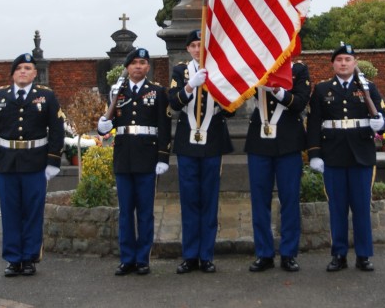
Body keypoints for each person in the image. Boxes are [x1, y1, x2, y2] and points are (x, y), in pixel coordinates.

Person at [307, 43, 385, 273]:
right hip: (333, 156)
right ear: (333, 63)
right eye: (339, 59)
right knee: (337, 209)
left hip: (361, 155)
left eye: (347, 60)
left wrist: (380, 124)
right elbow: (313, 123)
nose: (343, 63)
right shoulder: (322, 89)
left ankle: (363, 255)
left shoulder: (367, 87)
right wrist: (314, 153)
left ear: (355, 63)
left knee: (361, 208)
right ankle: (338, 254)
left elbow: (382, 116)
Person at [0, 53, 65, 277]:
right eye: (19, 68)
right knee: (10, 213)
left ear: (35, 73)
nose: (23, 71)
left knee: (32, 212)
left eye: (28, 68)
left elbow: (57, 129)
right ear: (13, 73)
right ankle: (12, 259)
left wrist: (53, 161)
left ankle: (29, 258)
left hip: (36, 163)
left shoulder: (46, 97)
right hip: (7, 164)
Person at [97, 48, 172, 276]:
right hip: (123, 156)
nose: (138, 66)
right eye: (134, 63)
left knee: (145, 212)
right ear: (127, 68)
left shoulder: (157, 92)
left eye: (142, 63)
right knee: (126, 211)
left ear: (148, 67)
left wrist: (163, 156)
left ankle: (143, 259)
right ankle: (127, 258)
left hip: (148, 157)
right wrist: (103, 127)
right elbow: (109, 123)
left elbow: (164, 126)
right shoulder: (117, 93)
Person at [168, 29, 234, 274]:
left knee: (209, 199)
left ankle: (206, 255)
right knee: (188, 200)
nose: (198, 49)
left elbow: (231, 111)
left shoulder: (219, 70)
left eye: (201, 45)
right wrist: (189, 88)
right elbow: (173, 102)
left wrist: (222, 93)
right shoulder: (180, 71)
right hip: (187, 142)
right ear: (188, 49)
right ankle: (190, 255)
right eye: (194, 45)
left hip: (212, 140)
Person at [245, 61, 311, 273]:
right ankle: (264, 253)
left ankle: (289, 253)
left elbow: (300, 103)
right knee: (259, 200)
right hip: (259, 140)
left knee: (290, 199)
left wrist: (278, 91)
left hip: (288, 141)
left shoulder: (298, 70)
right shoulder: (256, 65)